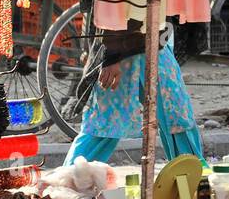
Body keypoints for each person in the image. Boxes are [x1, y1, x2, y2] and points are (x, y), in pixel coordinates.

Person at [65, 19, 204, 165]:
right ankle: (69, 180)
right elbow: (111, 3)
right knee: (103, 125)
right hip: (123, 48)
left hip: (154, 42)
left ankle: (191, 177)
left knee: (177, 117)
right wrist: (110, 55)